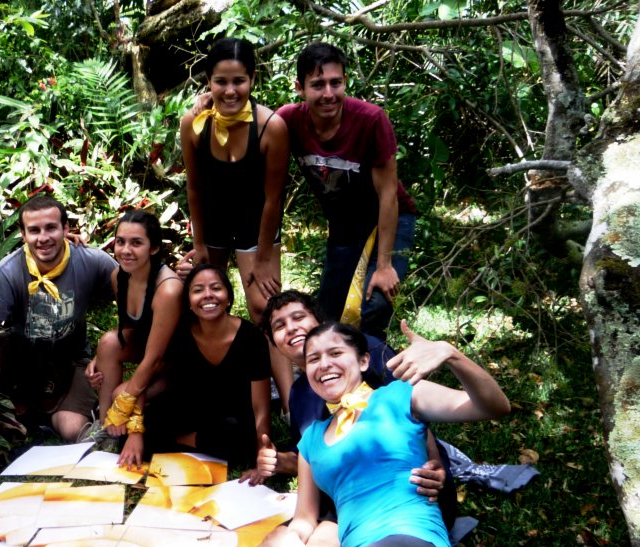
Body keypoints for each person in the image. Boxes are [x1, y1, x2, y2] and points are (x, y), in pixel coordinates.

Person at [250, 321, 510, 547]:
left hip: (410, 541)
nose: (324, 364)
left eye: (335, 353)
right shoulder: (311, 440)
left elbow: (494, 406)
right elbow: (304, 519)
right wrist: (287, 538)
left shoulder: (401, 395)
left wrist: (451, 354)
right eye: (314, 359)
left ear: (364, 361)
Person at [178, 37, 294, 412]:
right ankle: (202, 391)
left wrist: (262, 257)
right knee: (197, 303)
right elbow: (194, 188)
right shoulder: (193, 123)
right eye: (221, 81)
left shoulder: (270, 127)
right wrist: (198, 245)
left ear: (253, 79)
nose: (230, 91)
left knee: (264, 307)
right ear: (207, 82)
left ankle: (293, 406)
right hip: (211, 223)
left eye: (238, 81)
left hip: (254, 224)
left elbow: (273, 198)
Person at [0, 195, 116, 442]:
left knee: (71, 428)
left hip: (71, 357)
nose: (43, 237)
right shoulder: (9, 271)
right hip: (22, 354)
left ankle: (77, 423)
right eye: (34, 230)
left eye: (51, 228)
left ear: (66, 229)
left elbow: (135, 292)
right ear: (23, 235)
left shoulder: (91, 261)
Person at [278, 43, 419, 340]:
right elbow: (248, 119)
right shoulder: (289, 120)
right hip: (344, 225)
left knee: (374, 304)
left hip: (390, 217)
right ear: (299, 88)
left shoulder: (370, 120)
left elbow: (388, 195)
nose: (328, 94)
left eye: (336, 83)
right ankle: (333, 376)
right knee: (328, 314)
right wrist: (210, 101)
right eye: (317, 85)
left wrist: (383, 265)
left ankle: (375, 375)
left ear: (345, 81)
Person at [116, 264, 272, 468]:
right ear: (188, 302)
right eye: (198, 290)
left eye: (216, 288)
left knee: (238, 438)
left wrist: (263, 450)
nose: (208, 295)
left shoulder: (251, 338)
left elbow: (261, 407)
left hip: (230, 420)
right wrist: (136, 432)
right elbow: (147, 372)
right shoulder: (180, 333)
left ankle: (181, 442)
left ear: (229, 297)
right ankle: (194, 444)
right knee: (127, 440)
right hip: (189, 413)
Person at [83, 210, 183, 441]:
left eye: (136, 243)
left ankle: (117, 419)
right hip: (151, 353)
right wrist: (100, 357)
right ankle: (104, 422)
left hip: (177, 364)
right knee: (108, 342)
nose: (125, 250)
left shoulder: (168, 289)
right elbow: (130, 329)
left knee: (122, 394)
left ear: (154, 248)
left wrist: (126, 399)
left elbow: (155, 357)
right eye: (120, 242)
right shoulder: (119, 275)